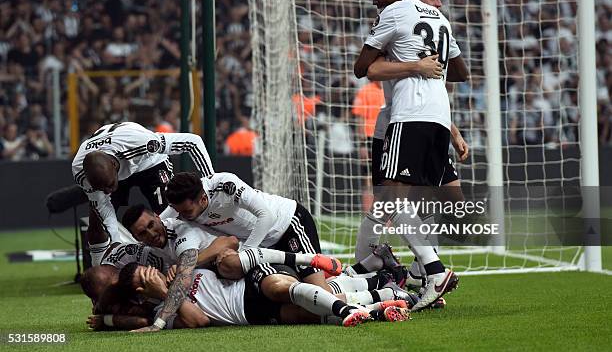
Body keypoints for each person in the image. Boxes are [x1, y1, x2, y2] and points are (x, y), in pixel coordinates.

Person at [353, 0, 469, 310]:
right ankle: (409, 266)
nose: (376, 1)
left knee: (398, 200)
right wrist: (421, 63)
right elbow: (460, 71)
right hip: (429, 117)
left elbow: (363, 68)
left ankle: (427, 268)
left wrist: (414, 65)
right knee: (401, 200)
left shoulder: (395, 16)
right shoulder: (436, 22)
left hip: (407, 117)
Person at [161, 171, 333, 293]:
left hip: (288, 224)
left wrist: (243, 254)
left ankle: (358, 295)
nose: (182, 217)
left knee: (319, 290)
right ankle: (347, 281)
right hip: (262, 245)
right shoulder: (180, 206)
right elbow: (158, 223)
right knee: (295, 290)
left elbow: (266, 215)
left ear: (203, 199)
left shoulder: (225, 185)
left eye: (187, 212)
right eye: (178, 212)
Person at [109, 263, 409, 331]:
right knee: (303, 315)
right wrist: (165, 294)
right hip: (247, 314)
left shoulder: (180, 269)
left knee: (282, 289)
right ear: (141, 292)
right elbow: (198, 320)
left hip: (251, 284)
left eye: (150, 270)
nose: (154, 274)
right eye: (145, 278)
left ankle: (373, 285)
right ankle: (383, 297)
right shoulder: (164, 312)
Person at [71, 121, 214, 253]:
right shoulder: (80, 171)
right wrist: (116, 245)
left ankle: (182, 255)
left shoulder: (142, 142)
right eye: (102, 188)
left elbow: (192, 142)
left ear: (114, 167)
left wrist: (210, 183)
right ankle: (101, 266)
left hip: (149, 162)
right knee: (98, 223)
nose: (108, 191)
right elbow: (104, 208)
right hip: (113, 165)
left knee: (169, 213)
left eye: (109, 185)